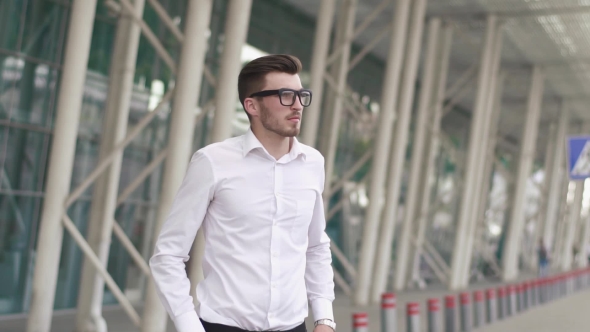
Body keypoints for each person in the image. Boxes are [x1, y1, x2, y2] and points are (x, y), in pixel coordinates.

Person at [149, 54, 336, 332]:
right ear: (252, 105)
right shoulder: (212, 161)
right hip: (224, 326)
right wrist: (189, 325)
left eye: (301, 95)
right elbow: (168, 255)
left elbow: (316, 247)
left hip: (294, 326)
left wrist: (324, 319)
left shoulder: (313, 163)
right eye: (285, 95)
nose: (297, 105)